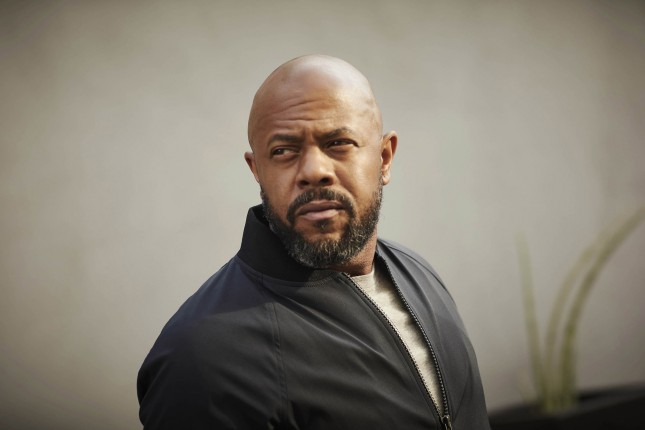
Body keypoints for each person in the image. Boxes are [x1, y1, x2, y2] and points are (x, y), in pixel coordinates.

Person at [137, 55, 490, 429]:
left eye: (338, 142)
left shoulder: (419, 274)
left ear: (384, 158)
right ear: (257, 171)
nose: (314, 171)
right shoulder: (203, 357)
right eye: (283, 151)